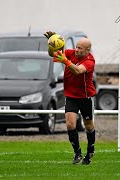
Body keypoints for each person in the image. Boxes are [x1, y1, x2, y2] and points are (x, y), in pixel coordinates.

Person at [44, 31, 96, 165]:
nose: (76, 49)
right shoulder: (70, 53)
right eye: (76, 46)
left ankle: (90, 150)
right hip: (71, 96)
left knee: (88, 126)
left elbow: (78, 71)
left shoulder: (90, 60)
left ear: (87, 50)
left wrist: (66, 61)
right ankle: (77, 152)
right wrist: (52, 44)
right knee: (70, 124)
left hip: (85, 97)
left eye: (80, 48)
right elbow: (52, 54)